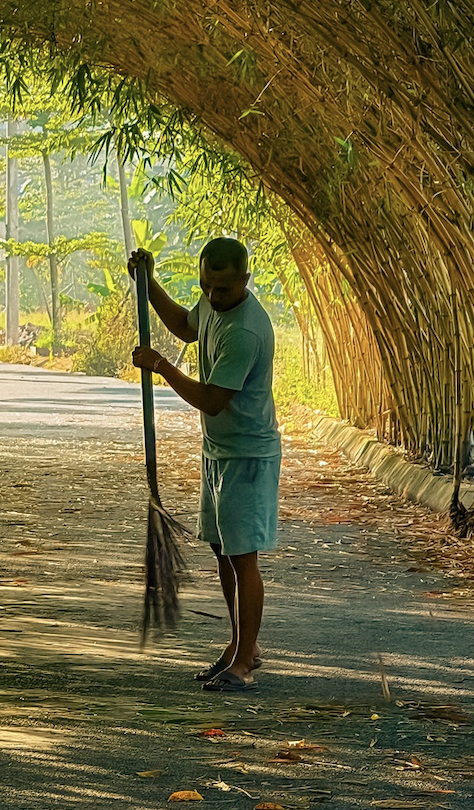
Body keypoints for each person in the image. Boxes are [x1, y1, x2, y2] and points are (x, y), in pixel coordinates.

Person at [128, 237, 279, 692]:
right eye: (206, 287)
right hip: (219, 451)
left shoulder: (245, 332)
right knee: (223, 551)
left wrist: (162, 367)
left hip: (247, 454)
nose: (213, 298)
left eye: (224, 290)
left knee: (243, 557)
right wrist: (148, 283)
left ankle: (245, 666)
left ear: (245, 282)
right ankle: (240, 647)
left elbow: (212, 400)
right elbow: (186, 325)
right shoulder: (214, 304)